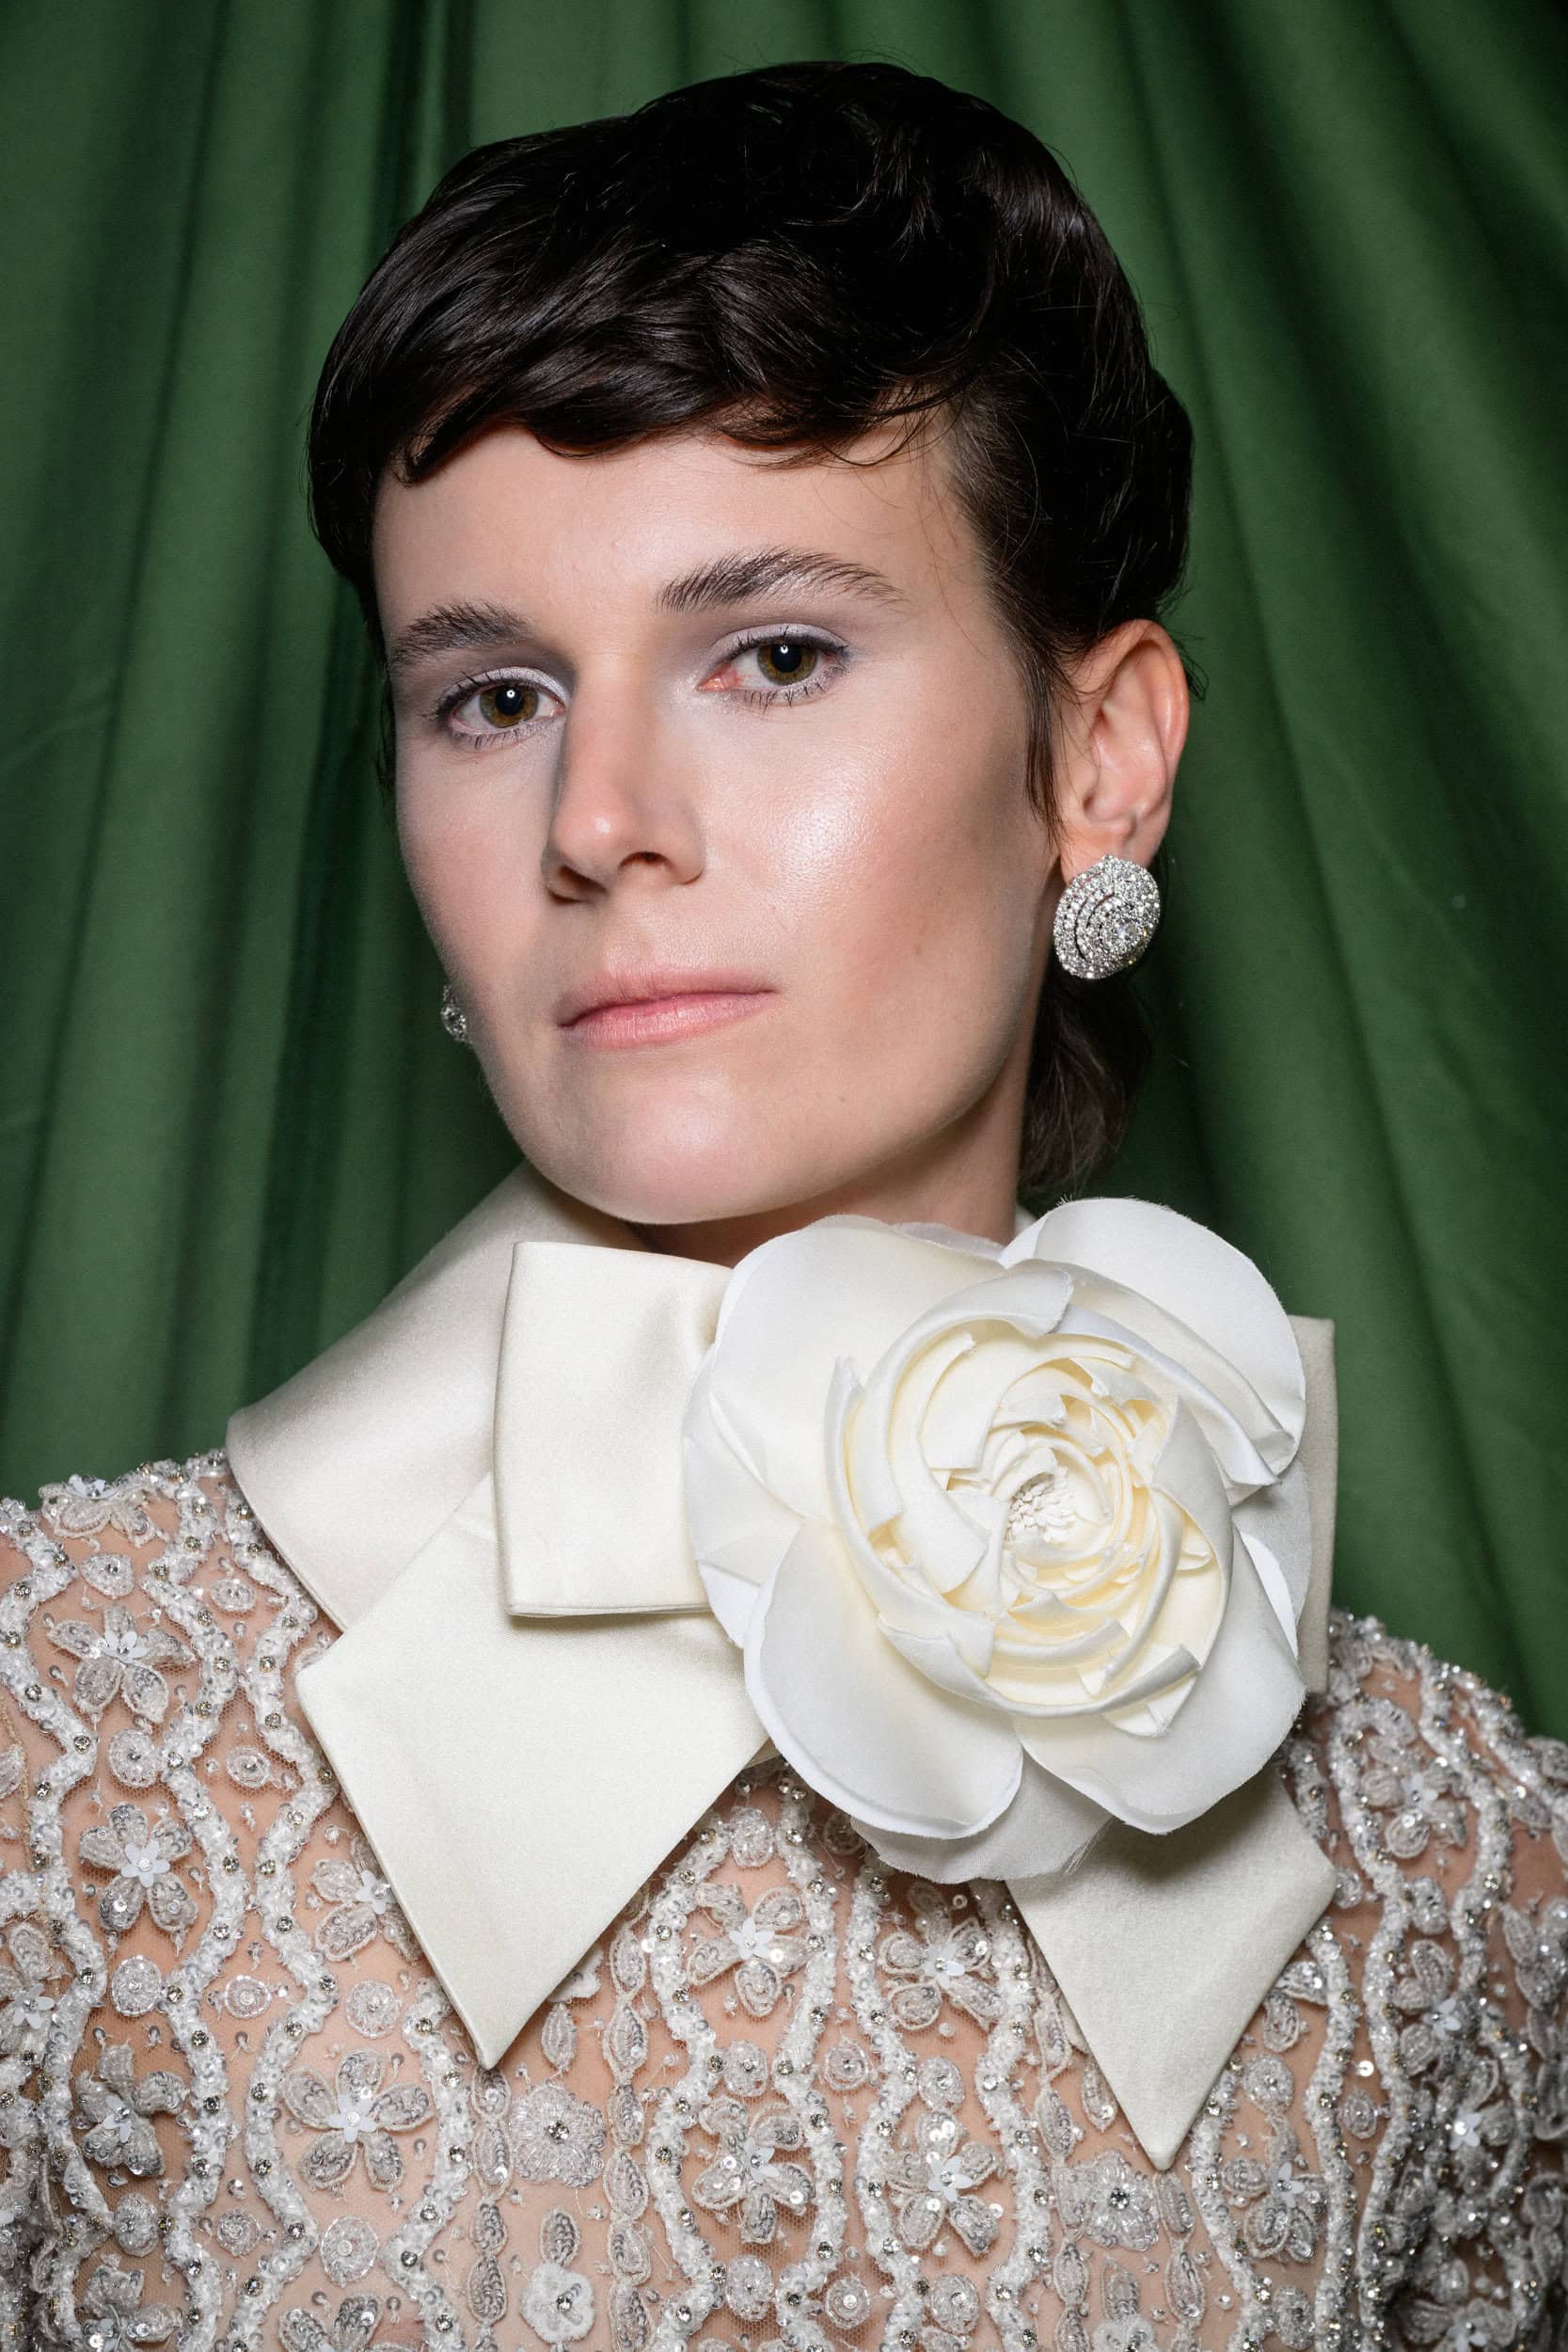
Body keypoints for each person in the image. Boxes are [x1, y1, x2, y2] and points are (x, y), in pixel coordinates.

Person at [1, 58, 1563, 2352]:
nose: (596, 819)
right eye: (492, 695)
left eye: (777, 654)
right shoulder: (52, 1744)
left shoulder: (1454, 1867)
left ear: (1101, 756)